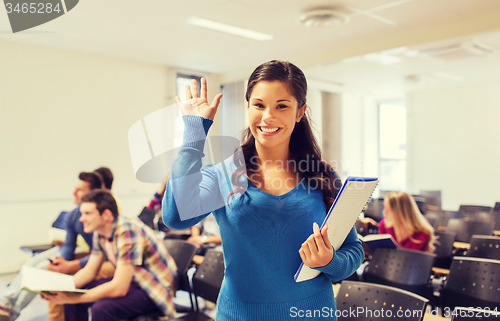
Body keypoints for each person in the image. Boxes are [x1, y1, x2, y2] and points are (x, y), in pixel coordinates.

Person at [162, 60, 364, 320]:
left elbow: (353, 251)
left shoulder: (322, 175)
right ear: (248, 107)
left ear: (300, 112)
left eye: (281, 106)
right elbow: (175, 217)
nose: (268, 116)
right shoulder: (223, 175)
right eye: (259, 105)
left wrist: (328, 261)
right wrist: (194, 133)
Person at [42, 189, 177, 321]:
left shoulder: (128, 231)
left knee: (101, 309)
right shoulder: (100, 232)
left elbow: (119, 288)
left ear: (106, 214)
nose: (81, 219)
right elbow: (89, 271)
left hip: (153, 287)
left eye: (87, 213)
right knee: (73, 293)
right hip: (133, 280)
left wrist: (73, 299)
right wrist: (63, 288)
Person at [0, 172, 106, 321]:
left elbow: (103, 251)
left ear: (91, 193)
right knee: (37, 263)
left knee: (46, 269)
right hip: (88, 253)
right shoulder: (74, 215)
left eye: (79, 190)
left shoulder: (103, 214)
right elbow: (69, 245)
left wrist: (70, 265)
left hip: (94, 256)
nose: (74, 193)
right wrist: (61, 260)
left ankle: (11, 313)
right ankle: (5, 304)